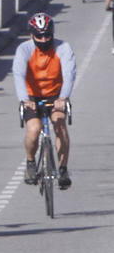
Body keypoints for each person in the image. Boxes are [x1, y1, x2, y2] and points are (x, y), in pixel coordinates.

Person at [13, 13, 75, 189]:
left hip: (56, 94)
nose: (43, 39)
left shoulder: (63, 47)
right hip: (31, 96)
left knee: (59, 123)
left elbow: (69, 73)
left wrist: (63, 97)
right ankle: (31, 163)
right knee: (34, 129)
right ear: (32, 35)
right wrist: (24, 99)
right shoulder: (24, 49)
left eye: (47, 35)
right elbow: (18, 74)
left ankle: (63, 169)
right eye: (39, 36)